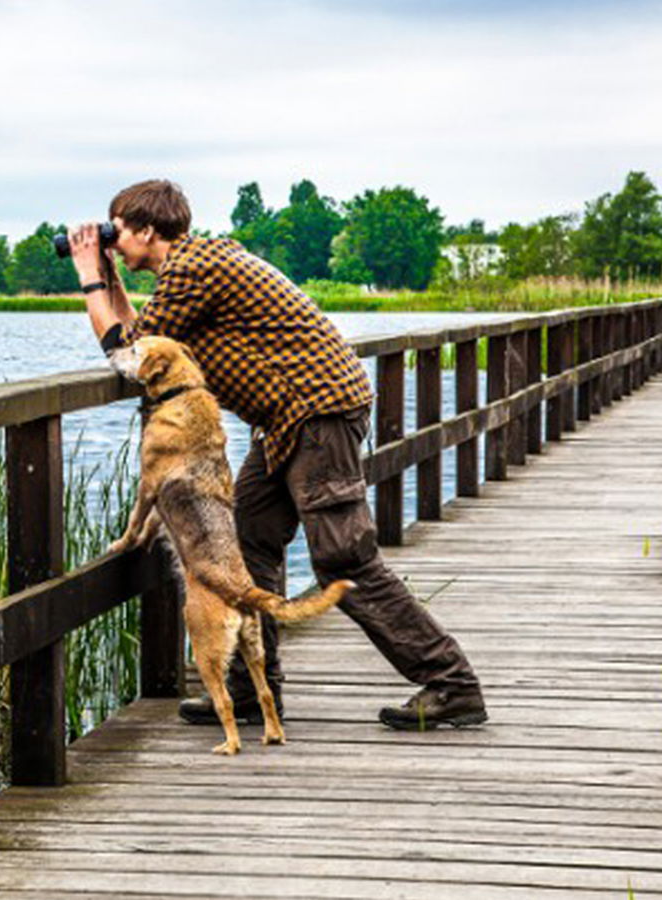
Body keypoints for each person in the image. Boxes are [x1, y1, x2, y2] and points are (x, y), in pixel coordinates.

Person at [67, 179, 486, 730]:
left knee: (344, 556)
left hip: (316, 415)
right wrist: (112, 277)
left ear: (147, 230)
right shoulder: (196, 263)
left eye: (116, 230)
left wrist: (91, 276)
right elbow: (142, 339)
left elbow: (126, 354)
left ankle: (452, 683)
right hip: (291, 420)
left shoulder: (193, 270)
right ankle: (248, 692)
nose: (111, 239)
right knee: (249, 540)